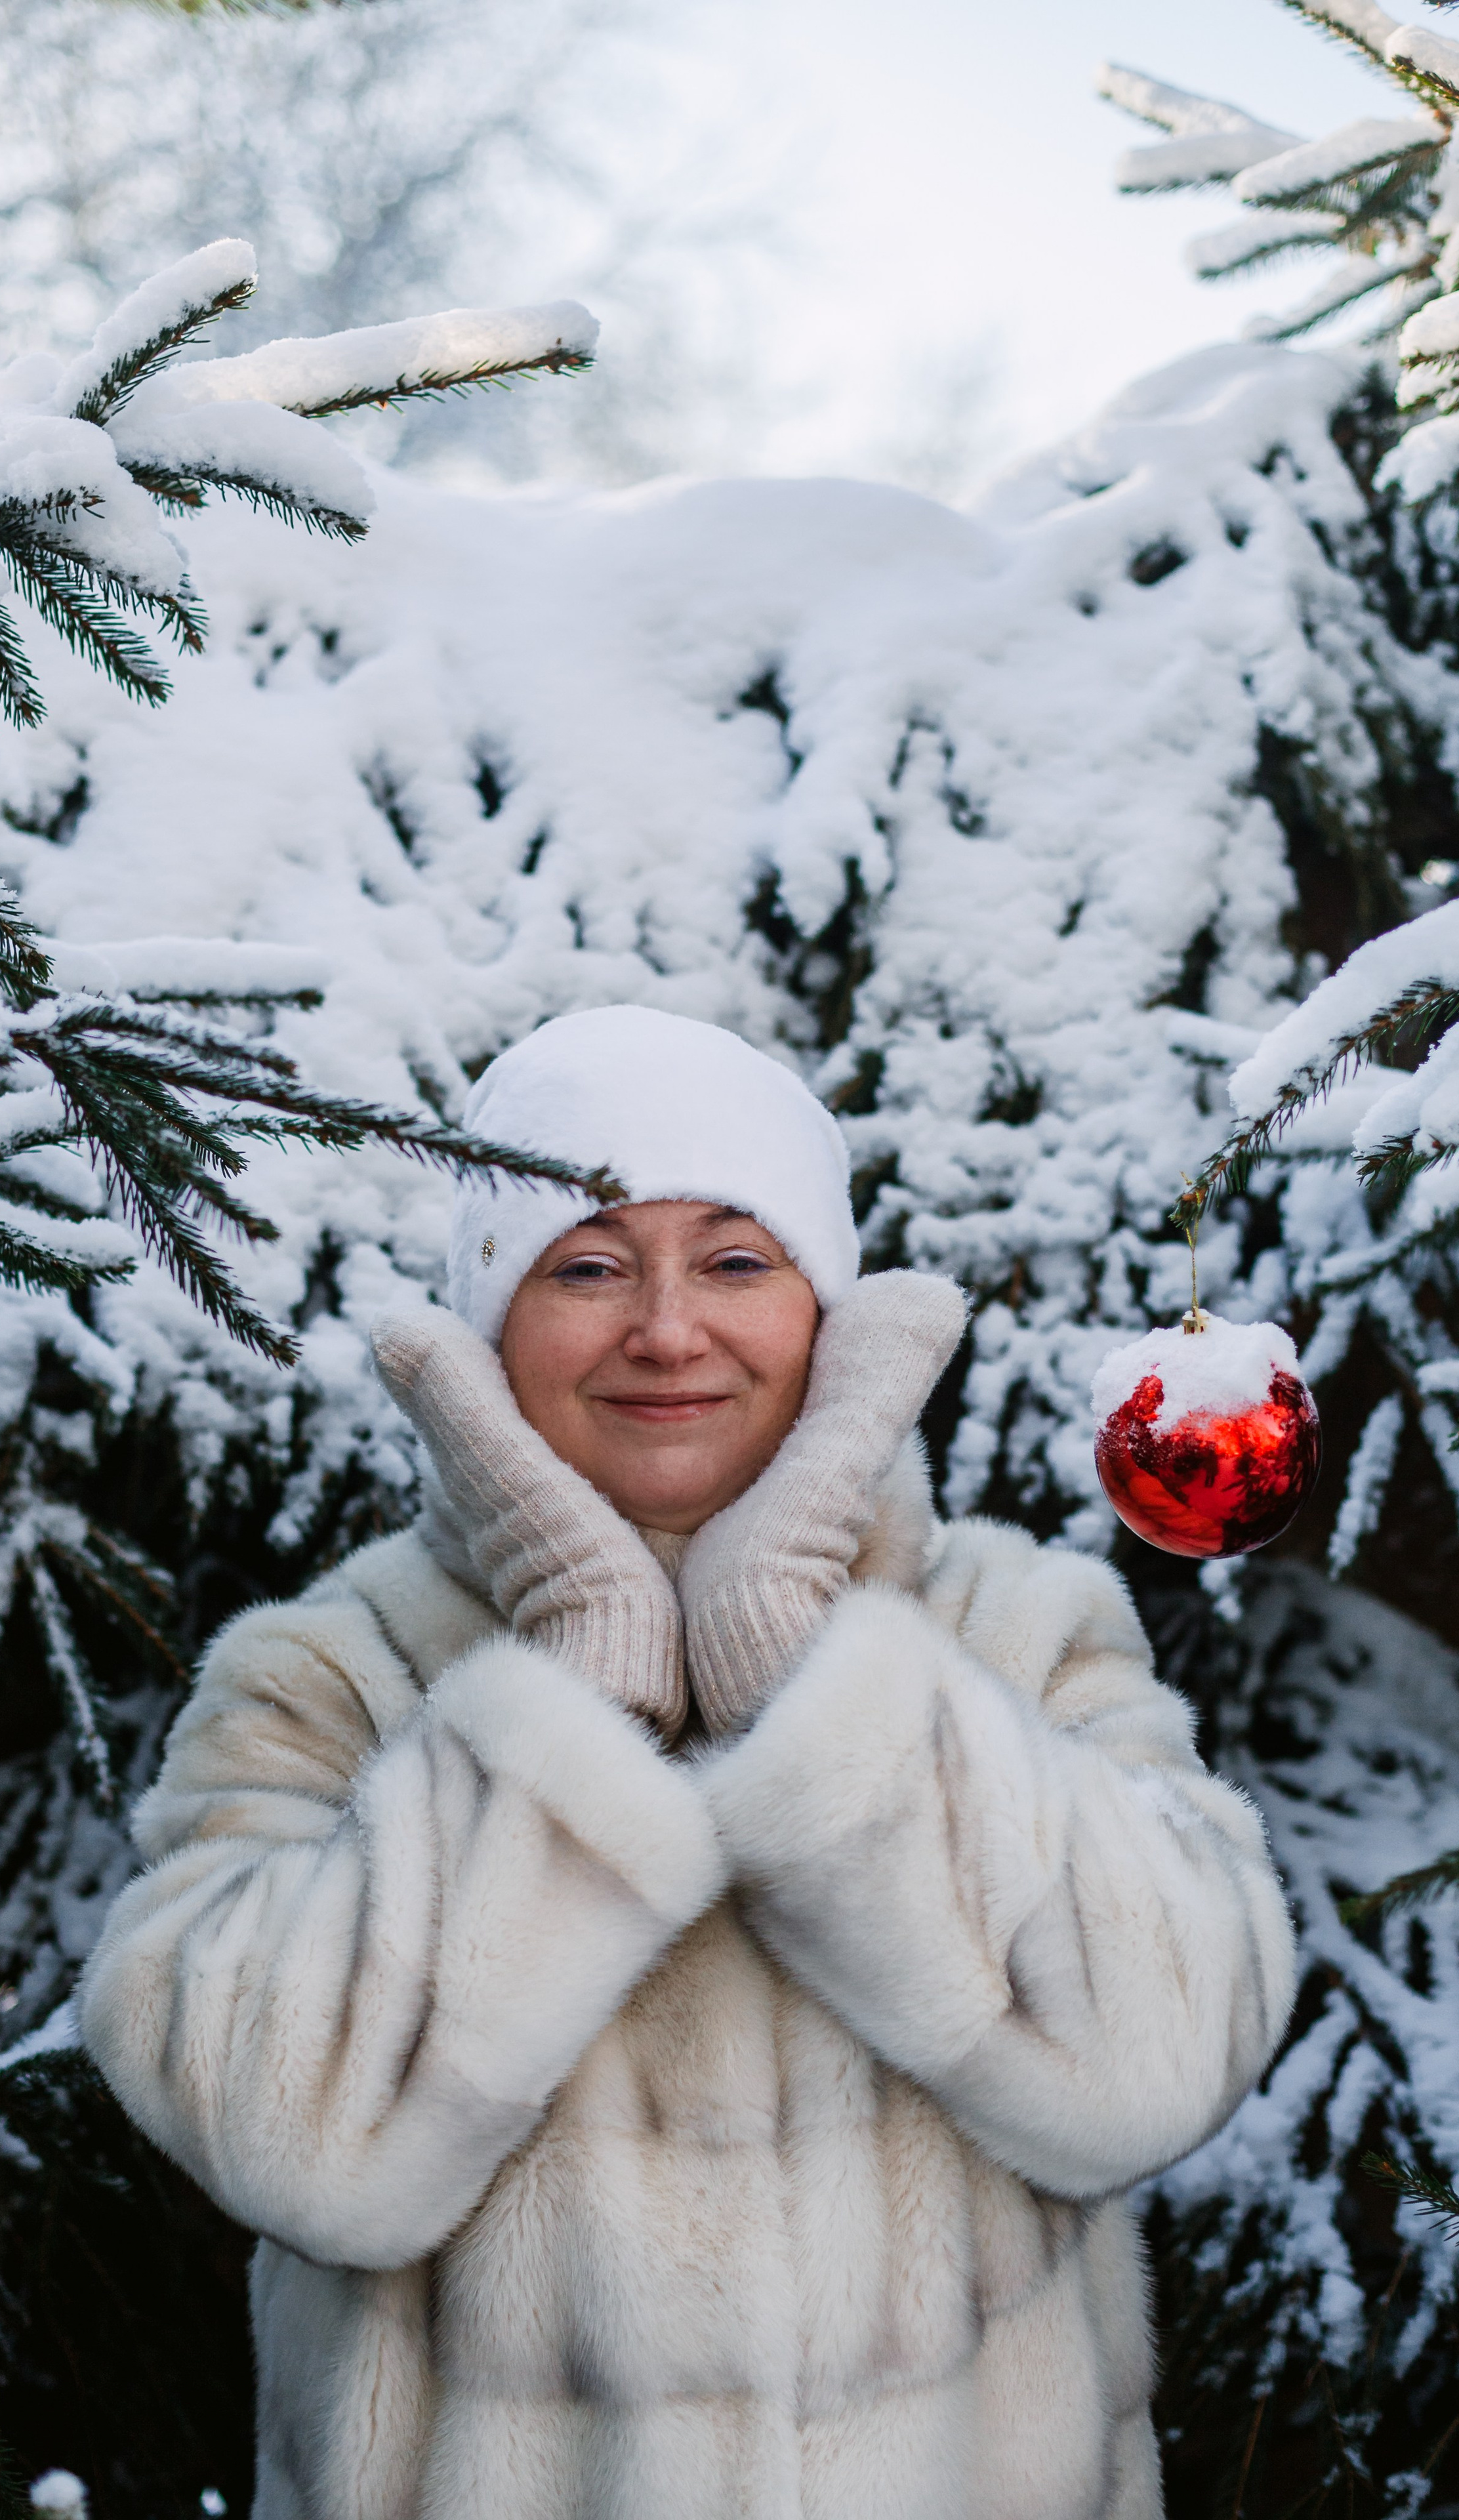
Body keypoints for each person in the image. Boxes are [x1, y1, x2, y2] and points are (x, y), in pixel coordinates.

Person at [80, 1004, 1296, 2520]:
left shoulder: (1016, 1631)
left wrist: (807, 1674)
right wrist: (575, 1688)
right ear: (486, 1322)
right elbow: (299, 2139)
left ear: (826, 1315)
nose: (666, 1329)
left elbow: (1157, 2066)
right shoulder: (326, 1677)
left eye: (735, 1261)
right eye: (585, 1265)